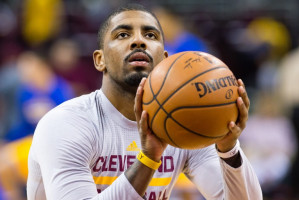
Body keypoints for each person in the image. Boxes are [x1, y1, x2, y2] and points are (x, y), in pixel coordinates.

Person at [27, 4, 262, 200]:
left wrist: (228, 148)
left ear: (165, 59)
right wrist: (148, 159)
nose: (139, 41)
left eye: (150, 35)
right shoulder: (66, 123)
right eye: (123, 34)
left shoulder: (186, 126)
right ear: (100, 60)